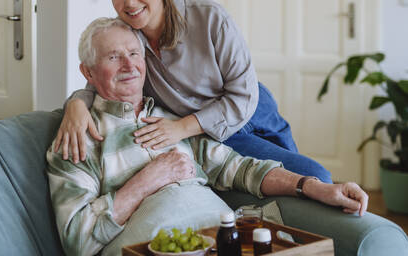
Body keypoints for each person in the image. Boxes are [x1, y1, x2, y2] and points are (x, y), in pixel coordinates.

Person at [46, 17, 368, 256]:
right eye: (114, 57)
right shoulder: (78, 138)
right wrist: (149, 179)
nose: (129, 65)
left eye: (134, 53)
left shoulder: (173, 122)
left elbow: (242, 169)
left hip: (225, 240)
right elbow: (78, 238)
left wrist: (314, 186)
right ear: (87, 72)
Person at [55, 0, 332, 183]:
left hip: (252, 110)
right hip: (211, 132)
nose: (129, 2)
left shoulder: (210, 17)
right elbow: (101, 76)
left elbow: (243, 95)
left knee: (310, 182)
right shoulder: (126, 36)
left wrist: (179, 128)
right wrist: (76, 105)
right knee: (306, 180)